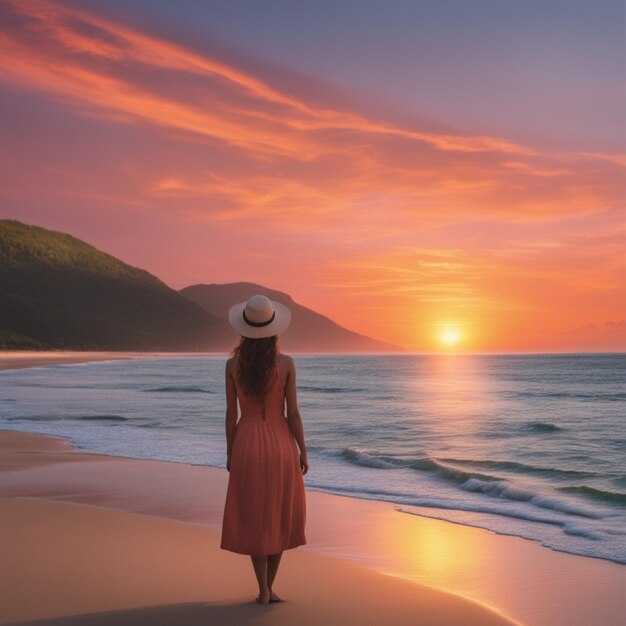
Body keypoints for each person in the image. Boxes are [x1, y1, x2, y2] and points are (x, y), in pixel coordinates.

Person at [220, 294, 308, 605]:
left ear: (244, 329)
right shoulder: (286, 364)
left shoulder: (232, 366)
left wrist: (230, 451)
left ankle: (262, 590)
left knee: (256, 516)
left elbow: (231, 414)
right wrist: (303, 451)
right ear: (274, 329)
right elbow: (293, 413)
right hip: (280, 442)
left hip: (247, 442)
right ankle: (270, 587)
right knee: (279, 514)